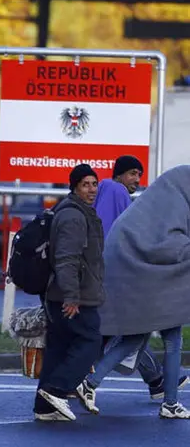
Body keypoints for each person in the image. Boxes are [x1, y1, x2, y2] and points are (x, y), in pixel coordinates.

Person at [76, 156, 188, 414]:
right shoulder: (122, 193)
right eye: (132, 173)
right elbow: (169, 245)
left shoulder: (154, 202)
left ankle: (90, 383)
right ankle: (169, 402)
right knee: (171, 341)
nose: (136, 180)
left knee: (135, 337)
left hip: (137, 279)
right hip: (153, 281)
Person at [34, 164, 104, 422]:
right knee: (91, 341)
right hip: (74, 297)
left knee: (58, 349)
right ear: (74, 186)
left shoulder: (78, 211)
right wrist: (72, 296)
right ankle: (57, 390)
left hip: (61, 295)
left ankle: (45, 407)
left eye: (94, 184)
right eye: (85, 184)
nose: (91, 189)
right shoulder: (74, 216)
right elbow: (67, 259)